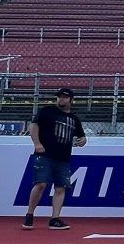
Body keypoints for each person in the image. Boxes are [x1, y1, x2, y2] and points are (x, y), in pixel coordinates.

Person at [23, 87, 86, 231]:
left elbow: (81, 135)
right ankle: (30, 213)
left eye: (64, 97)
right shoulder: (47, 111)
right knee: (41, 184)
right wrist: (37, 143)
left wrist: (83, 140)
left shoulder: (74, 119)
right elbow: (34, 126)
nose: (61, 99)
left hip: (63, 157)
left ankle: (55, 218)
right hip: (45, 154)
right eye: (59, 97)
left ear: (71, 100)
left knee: (60, 187)